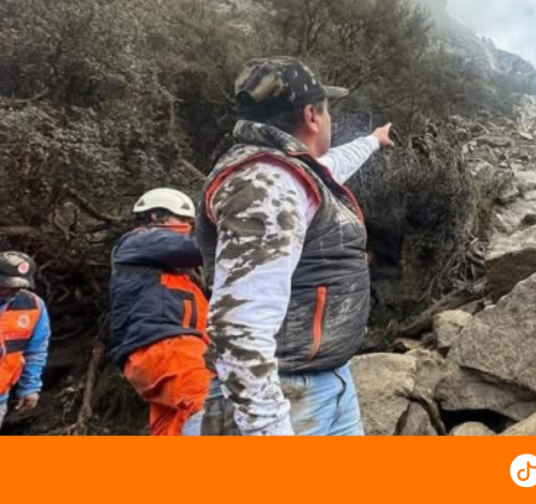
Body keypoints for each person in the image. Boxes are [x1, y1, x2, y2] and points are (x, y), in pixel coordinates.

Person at [197, 57, 393, 436]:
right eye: (327, 110)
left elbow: (334, 164)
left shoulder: (291, 173)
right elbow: (239, 326)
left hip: (325, 382)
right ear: (311, 116)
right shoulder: (265, 184)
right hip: (287, 395)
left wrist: (373, 141)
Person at [109, 188, 210, 435]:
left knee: (172, 427)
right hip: (168, 346)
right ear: (156, 216)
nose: (188, 226)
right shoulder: (141, 240)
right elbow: (201, 248)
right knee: (209, 404)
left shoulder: (172, 271)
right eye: (182, 219)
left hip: (161, 353)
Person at [0, 251, 50, 431]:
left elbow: (35, 350)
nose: (11, 291)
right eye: (6, 284)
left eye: (18, 286)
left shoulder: (34, 306)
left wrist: (30, 387)